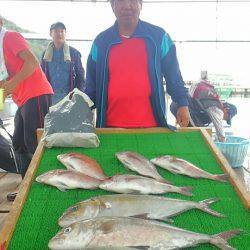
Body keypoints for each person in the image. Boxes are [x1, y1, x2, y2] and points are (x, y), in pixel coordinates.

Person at [85, 0, 189, 128]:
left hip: (152, 125)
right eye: (121, 1)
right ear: (112, 5)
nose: (127, 6)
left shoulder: (158, 37)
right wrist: (83, 110)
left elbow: (174, 76)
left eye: (133, 1)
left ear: (141, 4)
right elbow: (91, 86)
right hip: (110, 126)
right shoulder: (101, 42)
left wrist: (182, 104)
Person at [0, 16, 54, 177]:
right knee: (18, 144)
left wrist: (12, 83)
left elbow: (32, 62)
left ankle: (45, 183)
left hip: (36, 93)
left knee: (35, 143)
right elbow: (3, 85)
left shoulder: (10, 37)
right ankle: (27, 184)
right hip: (22, 100)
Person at [170, 72, 237, 142]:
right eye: (227, 118)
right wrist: (223, 142)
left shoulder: (212, 98)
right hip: (183, 108)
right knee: (199, 137)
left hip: (178, 104)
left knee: (196, 130)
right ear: (226, 109)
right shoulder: (218, 109)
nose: (224, 119)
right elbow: (219, 130)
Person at [41, 22, 85, 105]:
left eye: (62, 31)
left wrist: (78, 97)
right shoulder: (45, 55)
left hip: (69, 98)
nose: (59, 34)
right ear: (51, 34)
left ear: (65, 34)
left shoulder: (73, 53)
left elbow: (81, 76)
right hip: (51, 99)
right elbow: (41, 76)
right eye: (56, 31)